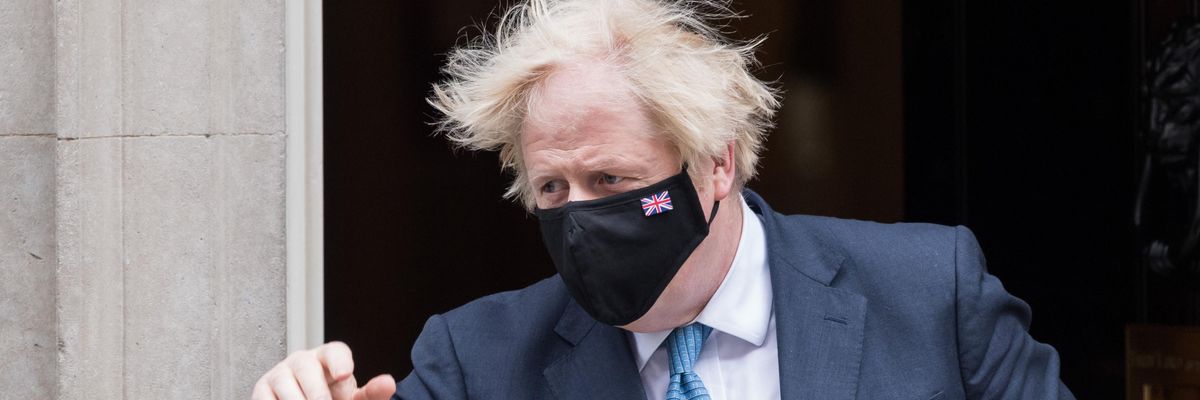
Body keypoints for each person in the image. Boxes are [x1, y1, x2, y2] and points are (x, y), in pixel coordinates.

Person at [252, 0, 1076, 398]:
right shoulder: (477, 362)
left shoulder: (931, 295)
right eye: (551, 188)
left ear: (715, 166)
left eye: (611, 182)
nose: (579, 217)